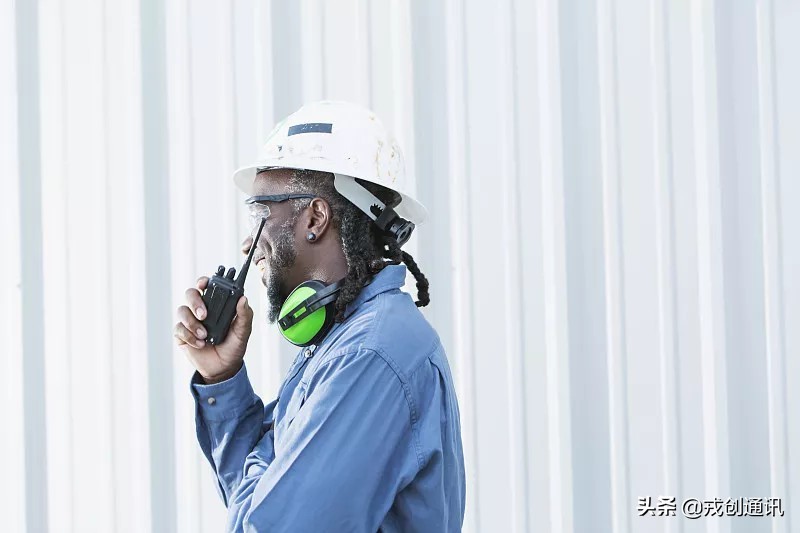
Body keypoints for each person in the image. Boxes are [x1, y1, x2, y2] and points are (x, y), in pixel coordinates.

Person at [173, 101, 466, 532]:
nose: (247, 243)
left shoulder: (371, 356)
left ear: (315, 216)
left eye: (260, 214)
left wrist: (267, 469)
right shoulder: (346, 342)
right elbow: (257, 505)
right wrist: (222, 378)